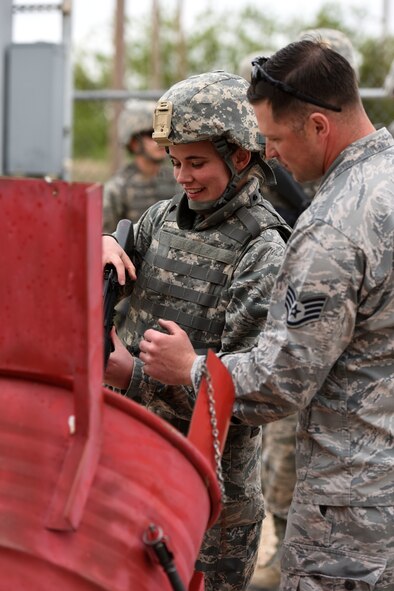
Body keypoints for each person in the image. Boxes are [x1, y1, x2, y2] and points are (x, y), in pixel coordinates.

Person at [138, 40, 394, 590]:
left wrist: (188, 368)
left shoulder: (332, 226)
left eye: (275, 140)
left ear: (319, 127)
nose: (270, 156)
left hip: (352, 515)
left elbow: (278, 382)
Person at [102, 70, 291, 591]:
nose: (182, 177)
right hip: (131, 472)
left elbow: (256, 395)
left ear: (242, 158)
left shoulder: (263, 253)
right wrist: (98, 249)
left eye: (198, 162)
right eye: (176, 162)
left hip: (209, 506)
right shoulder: (159, 220)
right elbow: (104, 280)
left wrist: (136, 373)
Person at [102, 98, 179, 232]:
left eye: (162, 132)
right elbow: (105, 239)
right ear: (134, 143)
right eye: (151, 134)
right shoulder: (117, 189)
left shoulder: (179, 179)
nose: (160, 141)